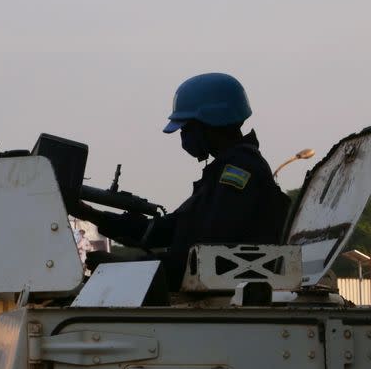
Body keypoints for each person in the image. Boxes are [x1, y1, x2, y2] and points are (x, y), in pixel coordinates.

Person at [72, 73, 290, 291]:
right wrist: (90, 214)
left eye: (186, 128)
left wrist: (123, 267)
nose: (183, 137)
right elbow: (170, 228)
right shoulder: (223, 172)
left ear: (210, 123)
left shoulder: (240, 172)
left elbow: (204, 255)